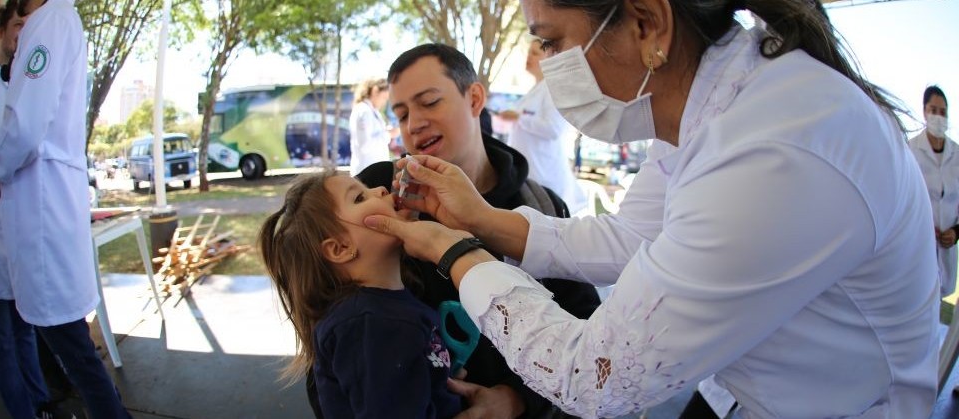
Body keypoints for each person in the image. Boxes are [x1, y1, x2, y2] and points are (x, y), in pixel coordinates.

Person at [362, 1, 940, 418]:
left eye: (551, 43)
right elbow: (632, 234)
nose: (546, 64)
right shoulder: (711, 109)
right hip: (736, 391)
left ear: (647, 23)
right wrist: (482, 219)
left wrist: (458, 251)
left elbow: (592, 376)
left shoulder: (775, 152)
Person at [357, 43, 601, 418]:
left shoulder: (540, 206)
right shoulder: (378, 192)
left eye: (429, 102)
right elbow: (325, 308)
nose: (414, 124)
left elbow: (584, 328)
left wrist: (520, 399)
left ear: (474, 99)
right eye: (402, 113)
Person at [0, 0, 131, 417]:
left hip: (41, 211)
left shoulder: (52, 21)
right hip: (37, 208)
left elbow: (23, 127)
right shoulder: (50, 22)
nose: (19, 31)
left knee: (76, 355)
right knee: (70, 352)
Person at [259, 171, 461, 418]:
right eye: (360, 198)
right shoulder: (373, 325)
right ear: (341, 248)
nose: (381, 190)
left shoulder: (380, 312)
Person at [0, 2, 52, 418]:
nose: (23, 34)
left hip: (12, 234)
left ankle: (41, 405)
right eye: (18, 25)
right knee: (4, 339)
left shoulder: (14, 83)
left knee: (24, 330)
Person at [500, 39, 588, 214]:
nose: (528, 57)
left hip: (544, 177)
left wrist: (519, 118)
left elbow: (554, 129)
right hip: (528, 174)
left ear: (549, 58)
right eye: (528, 52)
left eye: (535, 53)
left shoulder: (553, 90)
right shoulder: (534, 91)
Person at [908, 86, 956, 298]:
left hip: (947, 245)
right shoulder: (910, 150)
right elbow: (904, 197)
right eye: (933, 110)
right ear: (925, 112)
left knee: (938, 296)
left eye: (943, 112)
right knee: (915, 293)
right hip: (917, 239)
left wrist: (956, 232)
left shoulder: (957, 156)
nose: (938, 116)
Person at [348, 78, 396, 175]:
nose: (384, 103)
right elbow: (365, 145)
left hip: (372, 171)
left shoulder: (372, 111)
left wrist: (386, 131)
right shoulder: (364, 111)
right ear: (375, 91)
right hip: (366, 172)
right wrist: (389, 134)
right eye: (384, 98)